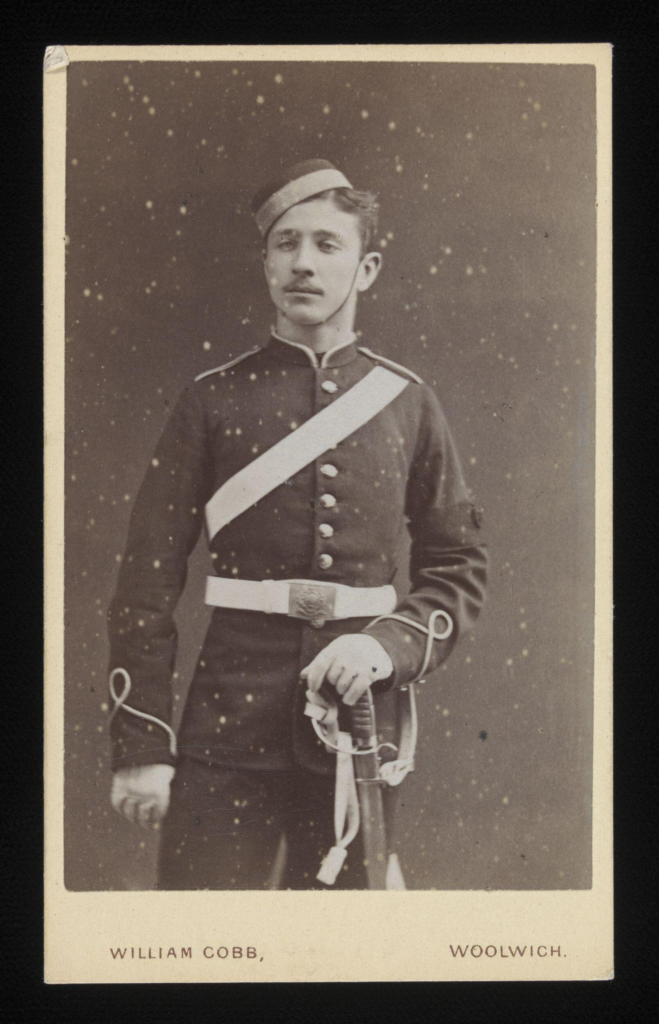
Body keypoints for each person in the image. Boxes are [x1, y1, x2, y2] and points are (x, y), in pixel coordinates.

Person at [107, 158, 488, 890]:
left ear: (367, 267)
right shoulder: (209, 401)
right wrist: (142, 744)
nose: (302, 263)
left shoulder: (407, 403)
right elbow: (144, 584)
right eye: (285, 244)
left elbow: (457, 568)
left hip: (358, 733)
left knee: (343, 966)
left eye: (326, 244)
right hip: (223, 733)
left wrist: (388, 647)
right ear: (264, 263)